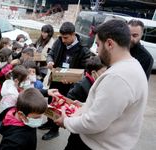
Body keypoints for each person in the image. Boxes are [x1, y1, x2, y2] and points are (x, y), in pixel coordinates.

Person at [55, 19, 148, 150]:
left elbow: (94, 122)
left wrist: (66, 121)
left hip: (94, 145)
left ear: (109, 44)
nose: (97, 51)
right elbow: (111, 110)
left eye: (98, 45)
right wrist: (85, 106)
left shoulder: (118, 77)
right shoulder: (133, 66)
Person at [40, 22, 91, 140]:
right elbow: (50, 54)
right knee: (52, 101)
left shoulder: (83, 49)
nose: (63, 40)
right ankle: (49, 122)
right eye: (62, 37)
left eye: (66, 38)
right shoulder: (59, 42)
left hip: (69, 84)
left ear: (73, 35)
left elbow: (85, 70)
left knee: (61, 105)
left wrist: (74, 78)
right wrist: (50, 61)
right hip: (56, 79)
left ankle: (55, 129)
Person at [65, 56, 106, 150]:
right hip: (79, 128)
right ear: (94, 73)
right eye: (103, 72)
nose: (106, 75)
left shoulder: (98, 84)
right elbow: (70, 101)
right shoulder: (81, 85)